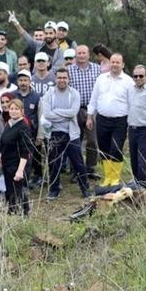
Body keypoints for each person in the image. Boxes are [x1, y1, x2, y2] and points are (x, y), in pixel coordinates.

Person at [40, 68, 90, 199]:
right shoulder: (49, 94)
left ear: (69, 79)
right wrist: (63, 114)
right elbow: (47, 114)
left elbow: (73, 113)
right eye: (59, 78)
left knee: (78, 163)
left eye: (64, 78)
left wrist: (55, 111)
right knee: (53, 163)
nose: (62, 80)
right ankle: (54, 190)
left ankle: (85, 188)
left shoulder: (75, 94)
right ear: (55, 79)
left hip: (72, 134)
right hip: (55, 133)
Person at [87, 53, 133, 189]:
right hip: (102, 119)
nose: (114, 64)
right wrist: (89, 116)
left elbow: (131, 103)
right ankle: (107, 177)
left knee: (116, 148)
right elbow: (94, 99)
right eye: (112, 62)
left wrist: (131, 122)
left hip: (120, 121)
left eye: (117, 62)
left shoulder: (128, 81)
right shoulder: (101, 79)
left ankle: (115, 178)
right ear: (109, 63)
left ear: (122, 64)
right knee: (104, 148)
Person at [69, 45, 102, 174]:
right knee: (75, 140)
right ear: (75, 55)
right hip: (75, 109)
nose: (81, 56)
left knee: (92, 141)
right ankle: (75, 169)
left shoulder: (97, 69)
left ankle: (90, 167)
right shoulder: (69, 70)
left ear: (88, 55)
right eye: (79, 53)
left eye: (84, 53)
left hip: (91, 109)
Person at [0, 100, 33, 215]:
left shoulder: (23, 127)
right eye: (11, 109)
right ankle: (11, 211)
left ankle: (25, 213)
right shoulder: (8, 124)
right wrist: (0, 159)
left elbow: (26, 151)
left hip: (18, 164)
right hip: (7, 163)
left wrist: (20, 171)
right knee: (9, 190)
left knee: (18, 190)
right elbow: (3, 143)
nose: (13, 111)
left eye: (16, 109)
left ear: (22, 111)